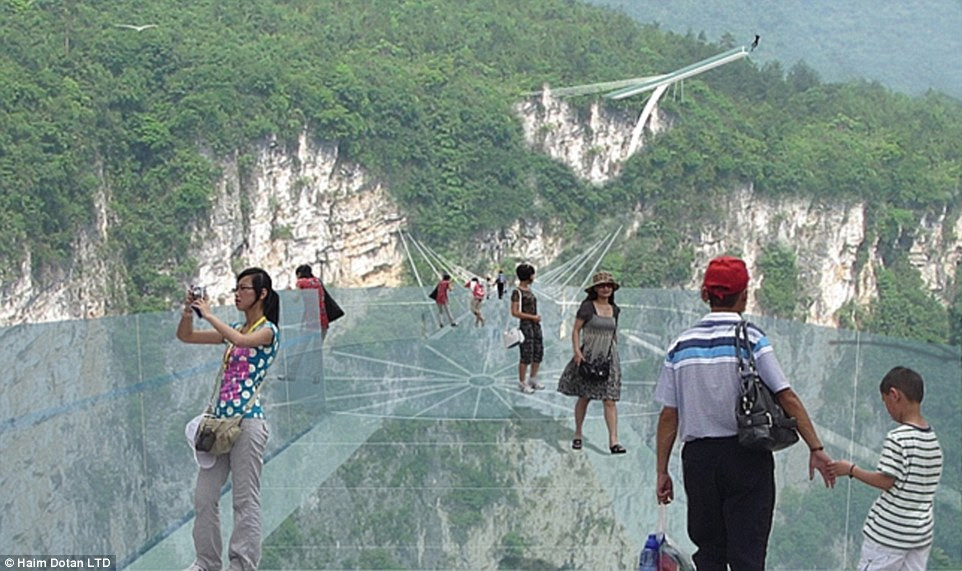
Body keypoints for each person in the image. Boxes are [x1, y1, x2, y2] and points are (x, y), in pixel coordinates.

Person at [654, 255, 834, 571]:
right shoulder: (751, 339)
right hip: (746, 455)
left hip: (699, 461)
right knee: (747, 556)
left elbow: (670, 415)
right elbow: (785, 395)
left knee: (708, 552)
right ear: (745, 294)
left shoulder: (680, 346)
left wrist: (661, 470)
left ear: (705, 295)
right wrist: (815, 448)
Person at [177, 268, 281, 571]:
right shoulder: (235, 327)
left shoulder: (268, 331)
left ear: (262, 294)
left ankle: (243, 565)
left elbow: (240, 340)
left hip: (247, 423)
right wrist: (188, 311)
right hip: (219, 424)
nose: (237, 294)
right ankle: (207, 563)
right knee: (204, 497)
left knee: (244, 500)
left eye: (244, 289)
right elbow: (186, 336)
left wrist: (209, 315)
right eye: (236, 288)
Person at [827, 366, 943, 571]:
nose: (886, 408)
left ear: (894, 395)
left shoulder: (898, 438)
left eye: (885, 402)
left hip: (890, 534)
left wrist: (851, 469)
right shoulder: (932, 440)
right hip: (919, 533)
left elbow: (886, 480)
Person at [557, 271, 625, 454]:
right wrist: (577, 352)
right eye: (602, 286)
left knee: (609, 399)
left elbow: (614, 332)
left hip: (609, 357)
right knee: (585, 396)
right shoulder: (587, 307)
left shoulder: (615, 309)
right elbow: (576, 330)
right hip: (589, 355)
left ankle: (613, 440)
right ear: (595, 289)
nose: (606, 289)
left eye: (609, 286)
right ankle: (578, 433)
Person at [510, 263, 544, 393]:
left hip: (535, 325)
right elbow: (515, 312)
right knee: (526, 354)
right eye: (532, 274)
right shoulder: (517, 292)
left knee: (538, 351)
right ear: (528, 276)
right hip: (526, 326)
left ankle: (533, 378)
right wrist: (532, 317)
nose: (533, 277)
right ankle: (522, 382)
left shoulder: (529, 290)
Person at [295, 264, 328, 338]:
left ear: (299, 274)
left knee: (304, 346)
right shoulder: (317, 281)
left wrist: (288, 292)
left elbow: (295, 299)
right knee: (318, 346)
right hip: (322, 317)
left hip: (310, 318)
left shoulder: (301, 282)